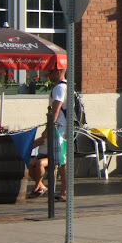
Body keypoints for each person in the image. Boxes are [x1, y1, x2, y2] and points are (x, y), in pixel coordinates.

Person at [28, 67, 68, 201]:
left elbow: (55, 111)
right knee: (59, 160)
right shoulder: (65, 86)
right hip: (59, 129)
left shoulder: (59, 88)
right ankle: (41, 185)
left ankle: (64, 192)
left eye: (50, 73)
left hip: (58, 130)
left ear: (58, 73)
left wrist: (48, 129)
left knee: (61, 161)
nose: (48, 75)